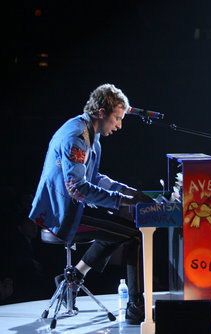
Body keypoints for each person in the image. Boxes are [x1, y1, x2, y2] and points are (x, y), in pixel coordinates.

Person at [29, 83, 153, 323]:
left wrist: (129, 192)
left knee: (118, 229)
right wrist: (123, 202)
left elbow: (95, 178)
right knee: (133, 234)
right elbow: (77, 188)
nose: (119, 125)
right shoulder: (77, 136)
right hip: (62, 212)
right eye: (116, 118)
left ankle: (73, 278)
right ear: (101, 112)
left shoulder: (90, 134)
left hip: (72, 206)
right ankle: (136, 308)